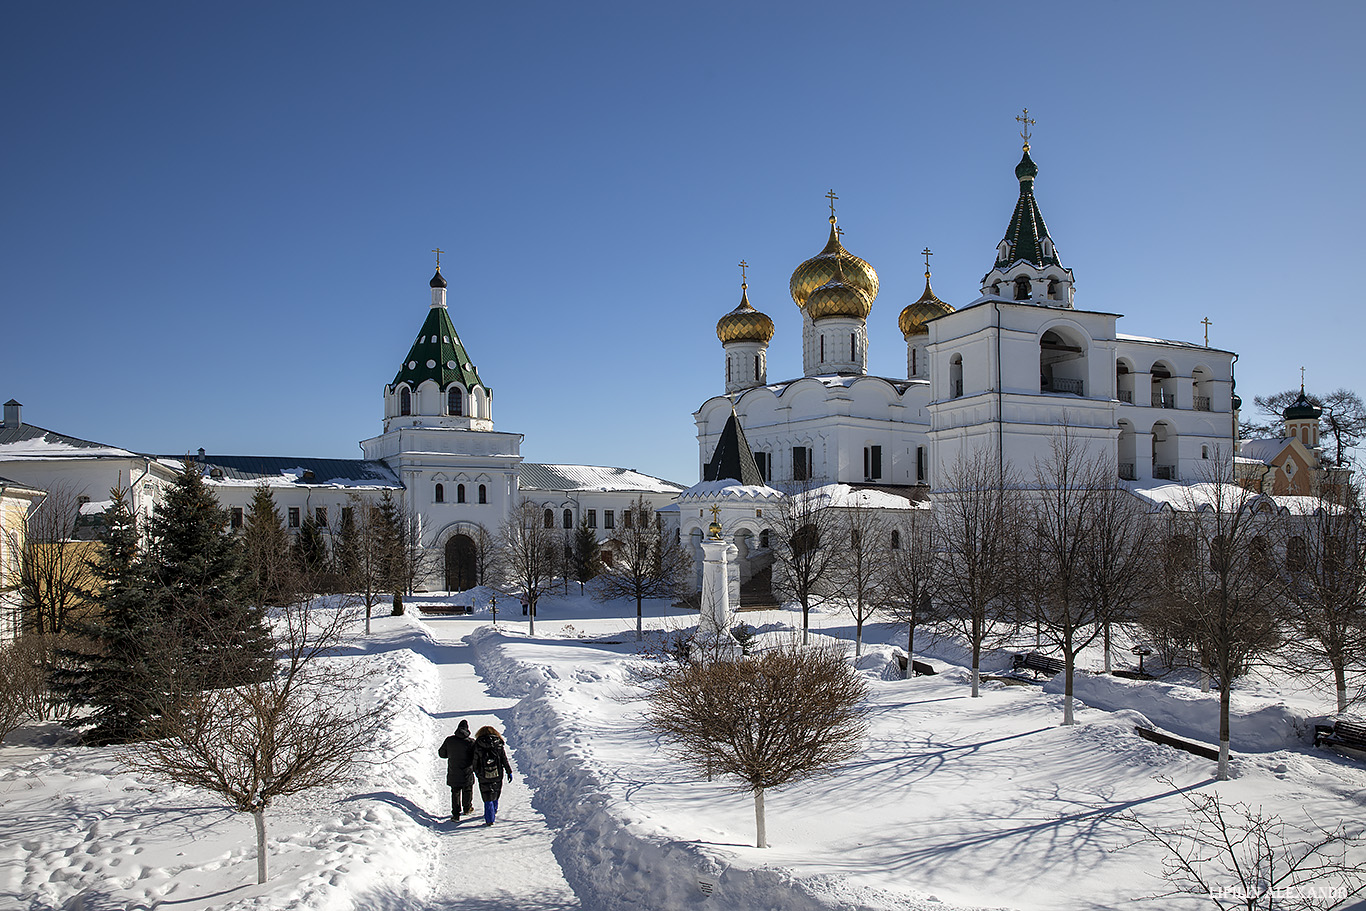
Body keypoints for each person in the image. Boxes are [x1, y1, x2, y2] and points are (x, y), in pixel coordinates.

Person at [472, 724, 513, 826]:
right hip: (497, 773)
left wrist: (477, 772)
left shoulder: (478, 744)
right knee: (496, 792)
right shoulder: (498, 744)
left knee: (486, 795)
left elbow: (475, 761)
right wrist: (509, 771)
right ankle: (494, 810)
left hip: (483, 774)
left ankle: (489, 818)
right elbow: (504, 759)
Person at [437, 720, 476, 821]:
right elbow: (475, 757)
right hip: (467, 770)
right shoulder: (471, 742)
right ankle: (467, 808)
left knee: (455, 792)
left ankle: (455, 814)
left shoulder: (449, 740)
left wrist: (451, 755)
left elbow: (442, 754)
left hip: (453, 770)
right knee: (467, 789)